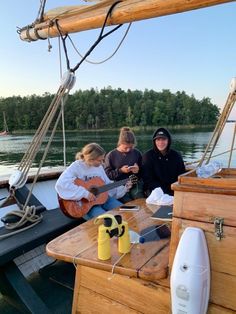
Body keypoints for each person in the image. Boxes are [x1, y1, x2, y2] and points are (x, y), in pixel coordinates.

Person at [55, 143, 132, 220]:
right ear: (90, 159)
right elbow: (61, 184)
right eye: (99, 160)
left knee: (125, 212)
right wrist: (85, 194)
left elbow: (107, 185)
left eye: (103, 160)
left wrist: (124, 188)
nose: (102, 163)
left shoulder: (99, 167)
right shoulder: (76, 167)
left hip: (103, 199)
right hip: (85, 205)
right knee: (106, 220)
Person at [104, 127, 144, 202]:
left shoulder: (137, 153)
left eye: (131, 147)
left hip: (135, 183)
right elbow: (108, 175)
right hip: (119, 186)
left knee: (139, 198)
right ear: (120, 143)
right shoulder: (111, 155)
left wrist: (138, 170)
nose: (128, 150)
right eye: (126, 148)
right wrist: (121, 171)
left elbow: (143, 172)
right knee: (127, 202)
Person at [142, 127, 185, 196]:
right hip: (154, 192)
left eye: (164, 139)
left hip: (173, 190)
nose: (161, 142)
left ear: (168, 141)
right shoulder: (147, 156)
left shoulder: (176, 156)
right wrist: (164, 192)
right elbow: (148, 180)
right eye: (158, 139)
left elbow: (181, 175)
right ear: (154, 141)